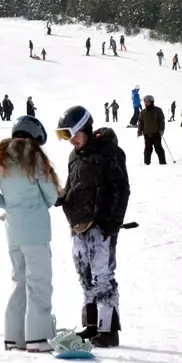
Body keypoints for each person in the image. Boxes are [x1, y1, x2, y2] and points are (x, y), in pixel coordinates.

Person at [0, 116, 61, 353]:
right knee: (39, 283)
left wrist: (9, 204)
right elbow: (52, 196)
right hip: (36, 231)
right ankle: (38, 338)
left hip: (13, 231)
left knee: (19, 281)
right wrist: (37, 203)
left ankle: (14, 338)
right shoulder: (34, 157)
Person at [54, 106, 130, 347]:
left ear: (85, 129)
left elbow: (122, 189)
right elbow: (73, 187)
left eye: (74, 135)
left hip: (101, 227)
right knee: (84, 276)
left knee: (103, 277)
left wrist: (111, 223)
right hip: (78, 225)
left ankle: (108, 331)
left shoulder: (108, 153)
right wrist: (62, 197)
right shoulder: (74, 156)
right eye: (66, 137)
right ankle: (91, 325)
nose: (71, 142)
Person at [136, 95, 167, 165]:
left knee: (158, 148)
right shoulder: (143, 112)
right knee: (147, 149)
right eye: (145, 102)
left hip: (156, 133)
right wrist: (139, 131)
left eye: (147, 102)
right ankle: (146, 163)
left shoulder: (158, 110)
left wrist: (161, 129)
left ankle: (163, 162)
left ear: (151, 102)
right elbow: (140, 122)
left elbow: (161, 120)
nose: (146, 103)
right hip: (147, 134)